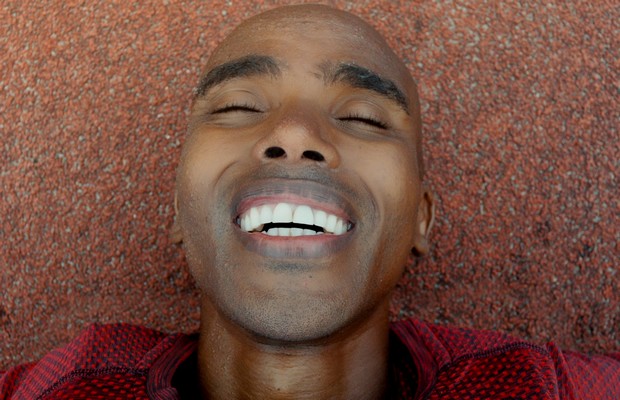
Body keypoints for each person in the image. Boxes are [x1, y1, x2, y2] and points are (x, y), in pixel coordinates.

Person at [1, 4, 618, 399]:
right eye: (238, 107)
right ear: (177, 210)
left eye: (363, 117)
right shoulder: (59, 388)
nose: (295, 134)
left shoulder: (540, 388)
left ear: (421, 219)